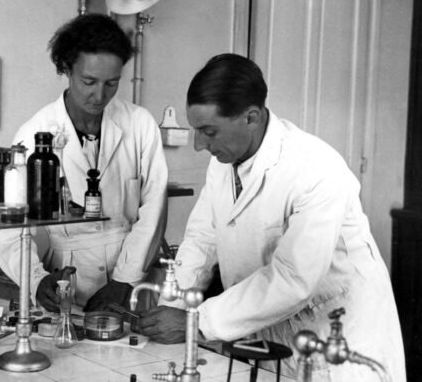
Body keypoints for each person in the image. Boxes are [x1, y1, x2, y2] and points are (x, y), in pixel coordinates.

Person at [137, 53, 405, 381]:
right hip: (273, 333)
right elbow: (202, 240)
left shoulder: (316, 168)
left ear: (251, 117)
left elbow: (293, 278)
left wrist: (196, 321)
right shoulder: (223, 164)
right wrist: (175, 305)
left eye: (209, 131)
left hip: (336, 337)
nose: (198, 144)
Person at [0, 13, 168, 313]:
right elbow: (9, 228)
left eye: (112, 83)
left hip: (133, 277)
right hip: (66, 280)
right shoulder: (34, 134)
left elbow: (154, 210)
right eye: (89, 81)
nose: (100, 95)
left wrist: (124, 280)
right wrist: (36, 281)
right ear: (66, 68)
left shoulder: (139, 124)